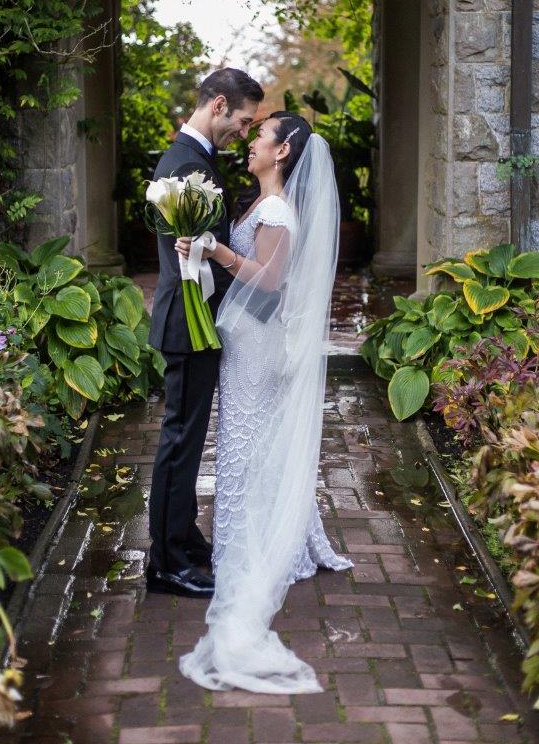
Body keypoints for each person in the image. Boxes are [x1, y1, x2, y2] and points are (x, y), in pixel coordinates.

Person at [175, 112, 351, 693]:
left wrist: (217, 254)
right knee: (249, 438)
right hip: (246, 341)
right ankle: (273, 529)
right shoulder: (261, 204)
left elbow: (270, 281)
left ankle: (262, 540)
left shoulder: (275, 211)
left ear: (282, 152)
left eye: (261, 136)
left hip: (256, 344)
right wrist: (200, 251)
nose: (250, 142)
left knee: (248, 440)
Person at [146, 68, 264, 599]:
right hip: (187, 318)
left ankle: (183, 536)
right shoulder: (187, 163)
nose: (243, 133)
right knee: (179, 440)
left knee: (188, 439)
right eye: (241, 121)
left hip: (198, 315)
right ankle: (166, 563)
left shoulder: (196, 160)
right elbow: (196, 253)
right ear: (218, 105)